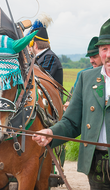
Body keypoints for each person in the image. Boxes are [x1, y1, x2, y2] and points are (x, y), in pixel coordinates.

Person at [32, 18, 110, 190]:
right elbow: (72, 122)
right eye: (105, 49)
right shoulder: (86, 78)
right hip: (96, 163)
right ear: (100, 50)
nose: (108, 55)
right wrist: (51, 132)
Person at [63, 36, 103, 111]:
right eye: (90, 57)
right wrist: (71, 105)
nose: (91, 61)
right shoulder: (82, 74)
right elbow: (76, 100)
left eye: (94, 57)